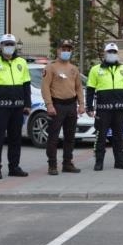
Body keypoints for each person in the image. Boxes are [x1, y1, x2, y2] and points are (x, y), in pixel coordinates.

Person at [0, 33, 32, 179]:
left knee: (16, 139)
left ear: (15, 46)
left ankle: (14, 167)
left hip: (17, 108)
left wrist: (27, 104)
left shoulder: (21, 63)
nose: (9, 47)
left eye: (11, 44)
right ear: (1, 46)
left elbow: (26, 85)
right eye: (6, 44)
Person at [86, 42, 123, 171]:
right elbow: (90, 89)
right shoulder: (96, 69)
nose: (112, 54)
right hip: (103, 110)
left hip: (120, 110)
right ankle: (99, 162)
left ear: (117, 54)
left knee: (119, 136)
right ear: (105, 53)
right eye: (109, 52)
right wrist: (89, 107)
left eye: (114, 52)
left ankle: (119, 161)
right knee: (100, 136)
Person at [40, 39, 84, 176]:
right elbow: (45, 87)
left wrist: (81, 104)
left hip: (71, 105)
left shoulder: (74, 68)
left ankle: (67, 163)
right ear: (57, 50)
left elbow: (78, 87)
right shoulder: (51, 67)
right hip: (57, 105)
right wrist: (49, 104)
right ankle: (52, 165)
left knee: (70, 137)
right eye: (63, 49)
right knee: (53, 137)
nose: (66, 52)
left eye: (68, 49)